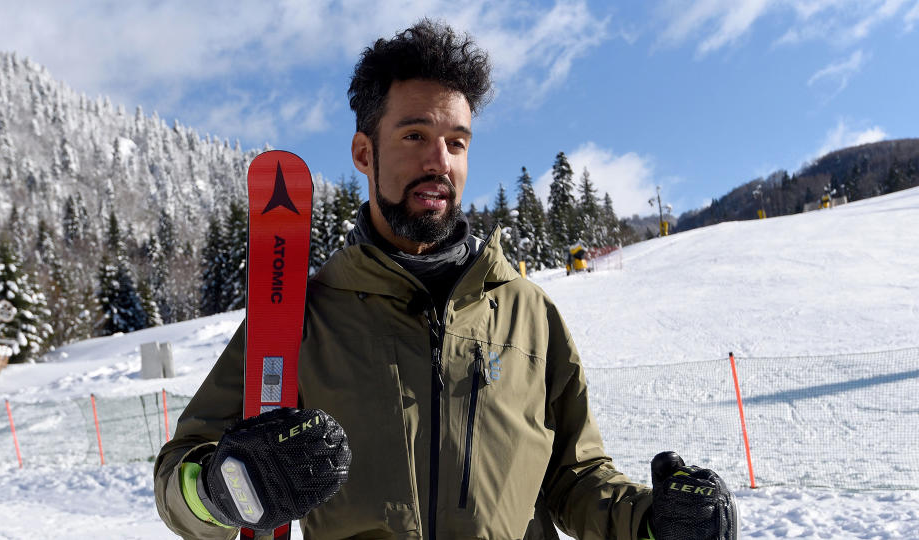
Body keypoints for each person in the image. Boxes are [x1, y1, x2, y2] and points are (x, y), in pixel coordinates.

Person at [154, 19, 737, 540]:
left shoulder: (530, 314)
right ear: (364, 152)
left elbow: (575, 477)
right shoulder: (304, 318)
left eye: (456, 142)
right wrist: (219, 490)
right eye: (414, 136)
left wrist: (654, 523)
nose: (440, 160)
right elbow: (178, 479)